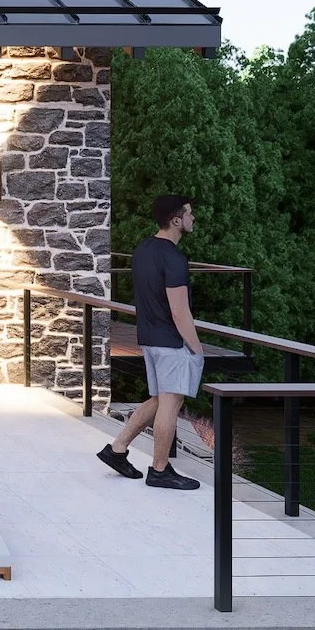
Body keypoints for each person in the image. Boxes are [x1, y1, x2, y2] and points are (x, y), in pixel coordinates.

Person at [98, 194, 204, 490]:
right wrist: (196, 348)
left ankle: (117, 449)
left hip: (147, 337)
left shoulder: (142, 250)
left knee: (160, 400)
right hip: (171, 341)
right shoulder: (174, 258)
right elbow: (179, 310)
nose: (193, 218)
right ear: (176, 220)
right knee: (171, 402)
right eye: (189, 213)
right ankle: (159, 470)